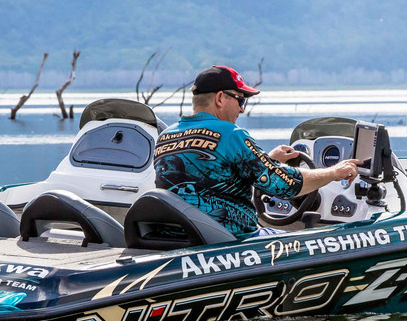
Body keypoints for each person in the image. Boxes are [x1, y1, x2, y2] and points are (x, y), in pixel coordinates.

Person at [153, 65, 360, 238]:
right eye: (240, 100)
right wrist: (334, 172)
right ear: (220, 98)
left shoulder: (166, 137)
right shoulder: (230, 134)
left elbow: (212, 177)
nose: (242, 109)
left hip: (181, 238)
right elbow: (286, 185)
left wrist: (266, 160)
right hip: (231, 243)